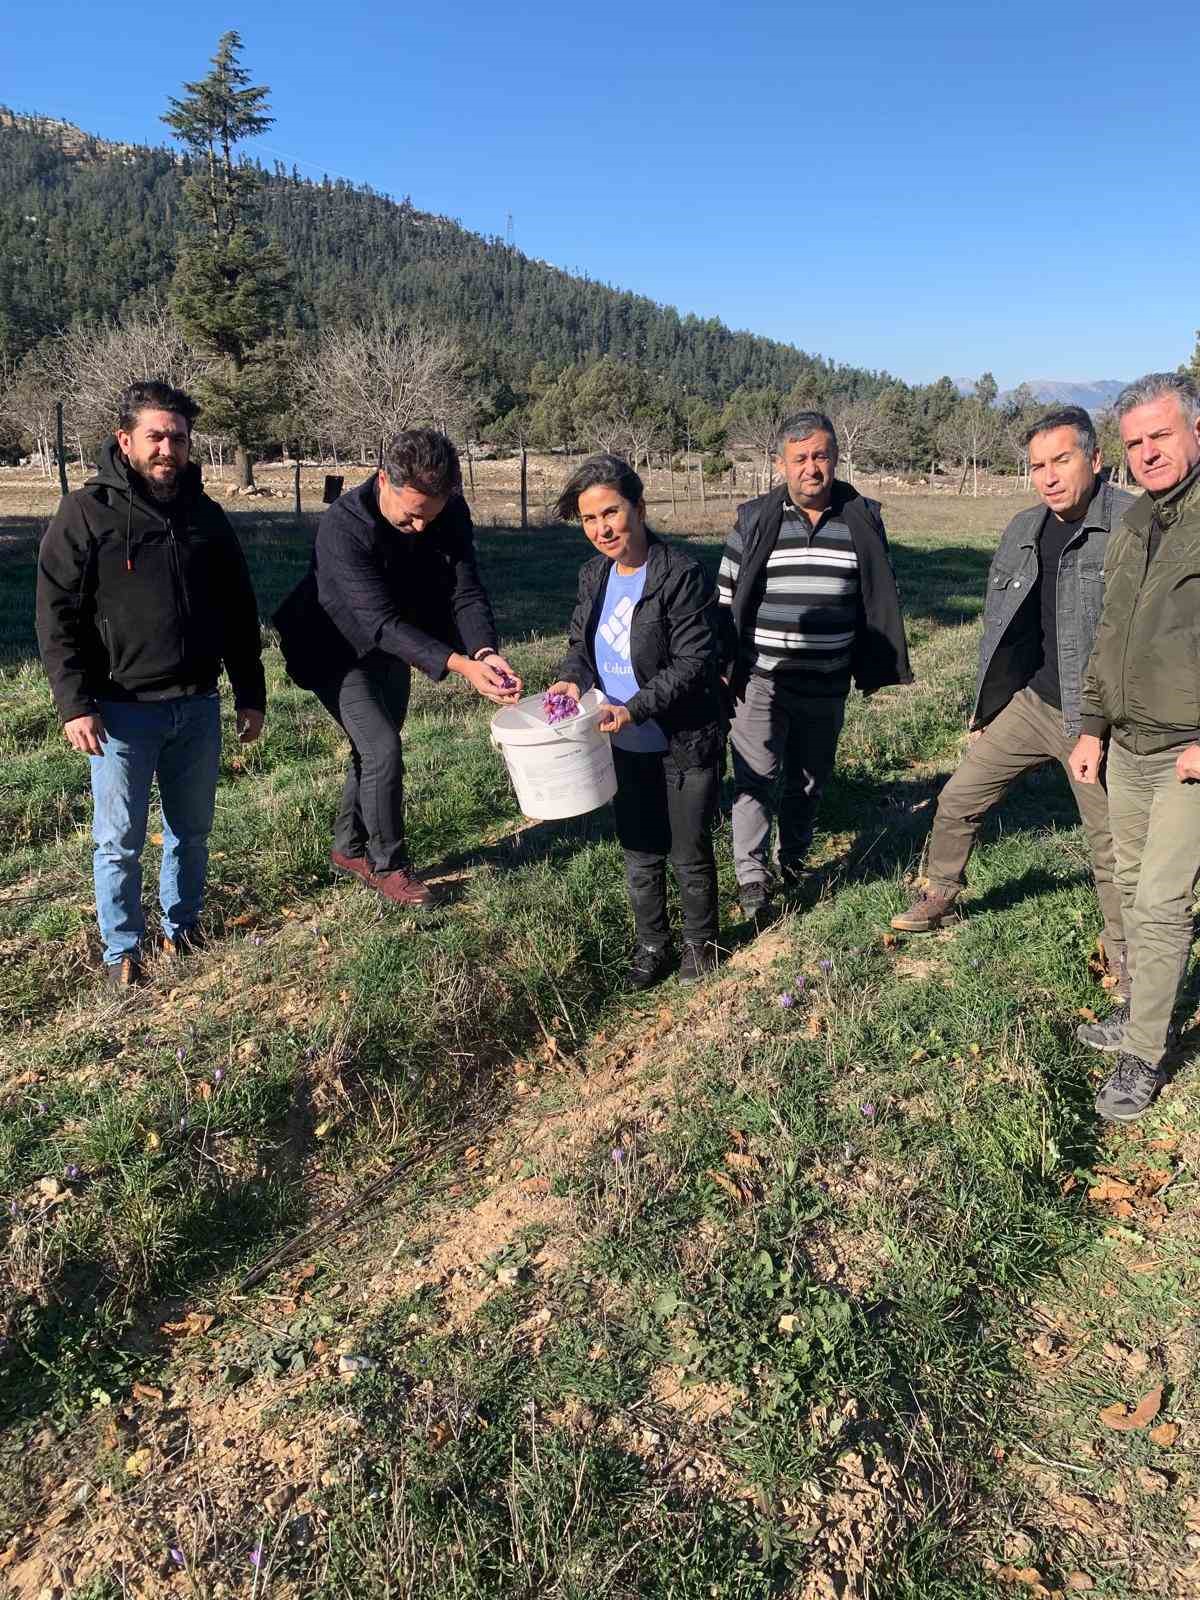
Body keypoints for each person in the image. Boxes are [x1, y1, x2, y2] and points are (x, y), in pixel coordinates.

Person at [891, 408, 1132, 994]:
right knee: (958, 797)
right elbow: (1004, 628)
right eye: (1037, 466)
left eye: (1062, 460)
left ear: (1096, 460)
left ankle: (1128, 958)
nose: (1048, 476)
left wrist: (1102, 726)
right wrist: (990, 707)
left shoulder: (1131, 523)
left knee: (1111, 845)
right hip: (1034, 703)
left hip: (1101, 718)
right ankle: (941, 895)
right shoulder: (1023, 528)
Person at [35, 380, 266, 986]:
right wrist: (73, 703)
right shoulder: (85, 513)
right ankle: (121, 952)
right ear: (126, 440)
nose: (168, 448)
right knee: (119, 842)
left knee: (191, 832)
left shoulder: (207, 518)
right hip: (120, 711)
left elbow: (239, 611)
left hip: (196, 705)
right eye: (156, 436)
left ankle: (182, 929)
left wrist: (251, 692)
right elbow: (54, 615)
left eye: (179, 438)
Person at [274, 428, 521, 908]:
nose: (423, 526)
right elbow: (377, 621)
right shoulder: (343, 526)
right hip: (332, 647)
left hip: (395, 644)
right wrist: (458, 665)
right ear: (383, 479)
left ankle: (348, 848)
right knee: (383, 749)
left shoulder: (447, 514)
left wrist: (485, 652)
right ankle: (389, 866)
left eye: (432, 515)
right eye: (411, 516)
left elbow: (464, 590)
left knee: (372, 750)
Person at [717, 411, 912, 919]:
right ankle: (752, 879)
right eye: (800, 457)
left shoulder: (861, 519)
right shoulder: (756, 520)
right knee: (755, 777)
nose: (811, 467)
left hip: (827, 682)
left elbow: (876, 593)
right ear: (781, 463)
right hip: (761, 681)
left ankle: (795, 860)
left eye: (821, 455)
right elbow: (724, 596)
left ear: (835, 459)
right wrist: (720, 659)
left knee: (808, 780)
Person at [1069, 372, 1200, 1121]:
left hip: (1188, 752)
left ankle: (1145, 1051)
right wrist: (1093, 727)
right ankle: (1141, 1006)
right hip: (1130, 745)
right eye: (1136, 442)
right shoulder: (1133, 524)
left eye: (1161, 435)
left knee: (1161, 901)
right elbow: (1110, 637)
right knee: (1125, 878)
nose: (1148, 452)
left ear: (1195, 431)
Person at [547, 454, 725, 987]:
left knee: (688, 848)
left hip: (683, 738)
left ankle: (702, 945)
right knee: (639, 848)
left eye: (611, 513)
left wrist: (634, 708)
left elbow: (695, 662)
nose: (602, 529)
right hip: (621, 742)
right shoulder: (594, 576)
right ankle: (653, 945)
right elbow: (581, 646)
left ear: (639, 507)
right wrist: (570, 680)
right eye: (589, 519)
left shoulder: (681, 574)